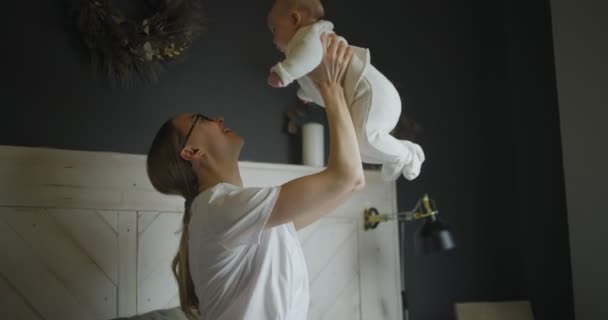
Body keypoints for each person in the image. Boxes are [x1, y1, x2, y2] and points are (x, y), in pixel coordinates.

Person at [146, 34, 363, 320]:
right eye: (203, 118)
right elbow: (346, 178)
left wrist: (348, 103)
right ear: (192, 151)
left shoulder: (240, 215)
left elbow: (353, 183)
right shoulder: (220, 209)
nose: (219, 118)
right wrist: (330, 88)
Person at [266, 0, 425, 181]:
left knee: (363, 140)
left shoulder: (310, 36)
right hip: (370, 98)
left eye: (274, 29)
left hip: (373, 94)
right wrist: (306, 93)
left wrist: (284, 73)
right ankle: (395, 152)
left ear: (295, 19)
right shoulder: (305, 46)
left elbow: (308, 57)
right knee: (355, 147)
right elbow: (314, 72)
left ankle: (406, 155)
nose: (273, 39)